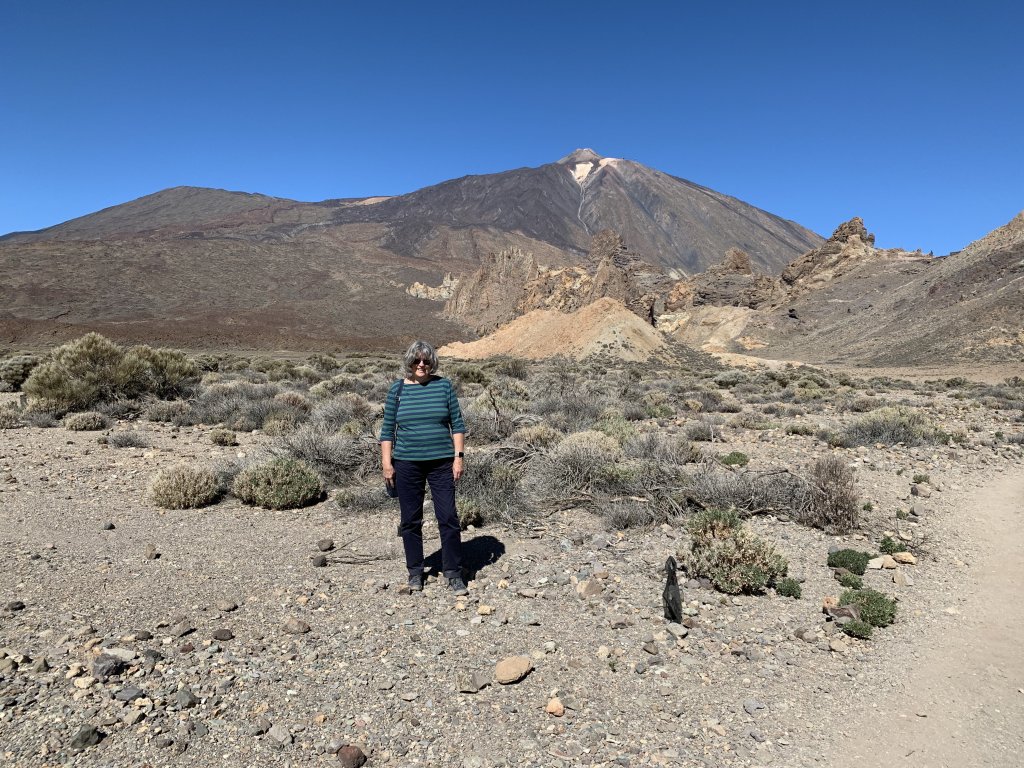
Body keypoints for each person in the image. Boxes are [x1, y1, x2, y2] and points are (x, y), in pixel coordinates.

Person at [380, 340, 468, 595]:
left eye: (426, 361)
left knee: (448, 517)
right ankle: (415, 572)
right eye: (416, 361)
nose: (421, 365)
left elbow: (457, 425)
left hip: (441, 463)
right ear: (408, 362)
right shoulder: (397, 390)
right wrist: (387, 464)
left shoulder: (444, 387)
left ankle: (453, 572)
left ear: (433, 363)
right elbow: (387, 431)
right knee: (410, 520)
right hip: (407, 463)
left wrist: (458, 457)